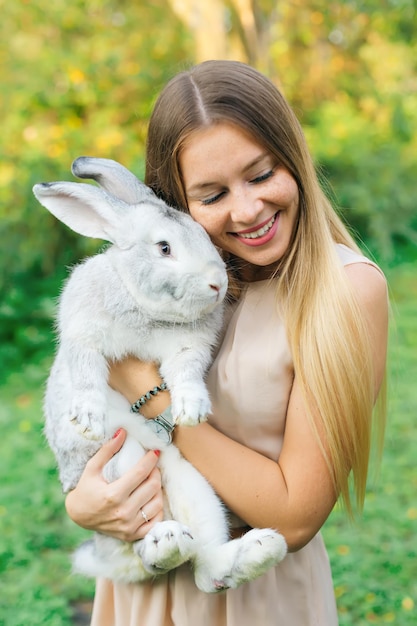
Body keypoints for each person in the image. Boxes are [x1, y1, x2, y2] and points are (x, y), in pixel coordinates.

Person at [65, 60, 388, 625]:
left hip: (253, 593)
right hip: (143, 585)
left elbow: (292, 516)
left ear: (293, 159)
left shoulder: (346, 291)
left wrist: (150, 390)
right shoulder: (169, 288)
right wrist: (87, 504)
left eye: (261, 176)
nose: (246, 210)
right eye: (212, 195)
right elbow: (92, 426)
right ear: (176, 205)